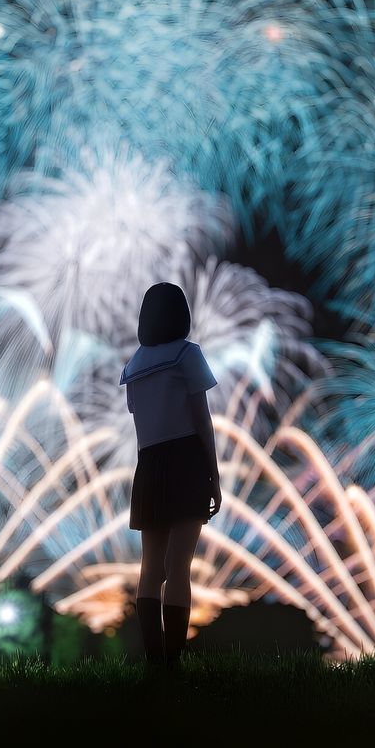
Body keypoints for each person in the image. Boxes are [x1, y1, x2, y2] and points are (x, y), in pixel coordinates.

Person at [120, 282, 222, 670]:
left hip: (149, 466)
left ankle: (153, 663)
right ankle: (174, 665)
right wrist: (213, 474)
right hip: (186, 460)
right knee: (179, 566)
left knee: (151, 568)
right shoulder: (187, 354)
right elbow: (202, 419)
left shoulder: (133, 366)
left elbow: (138, 418)